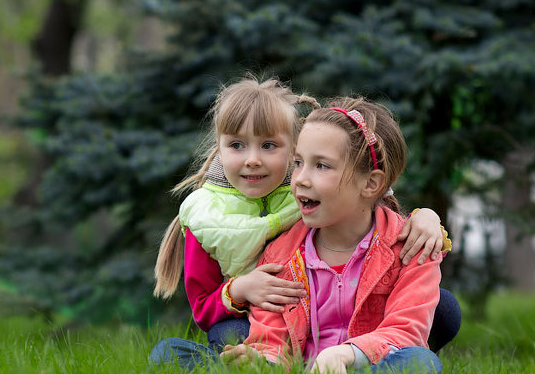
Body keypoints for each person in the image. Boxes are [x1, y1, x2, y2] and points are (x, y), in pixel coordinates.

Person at [151, 78, 457, 359]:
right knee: (218, 338)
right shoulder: (208, 216)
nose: (253, 160)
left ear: (288, 148)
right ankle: (247, 367)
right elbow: (204, 308)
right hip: (261, 322)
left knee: (439, 313)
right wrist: (241, 290)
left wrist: (426, 217)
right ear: (219, 149)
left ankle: (388, 357)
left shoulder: (303, 190)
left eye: (269, 145)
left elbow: (369, 187)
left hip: (355, 329)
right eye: (236, 145)